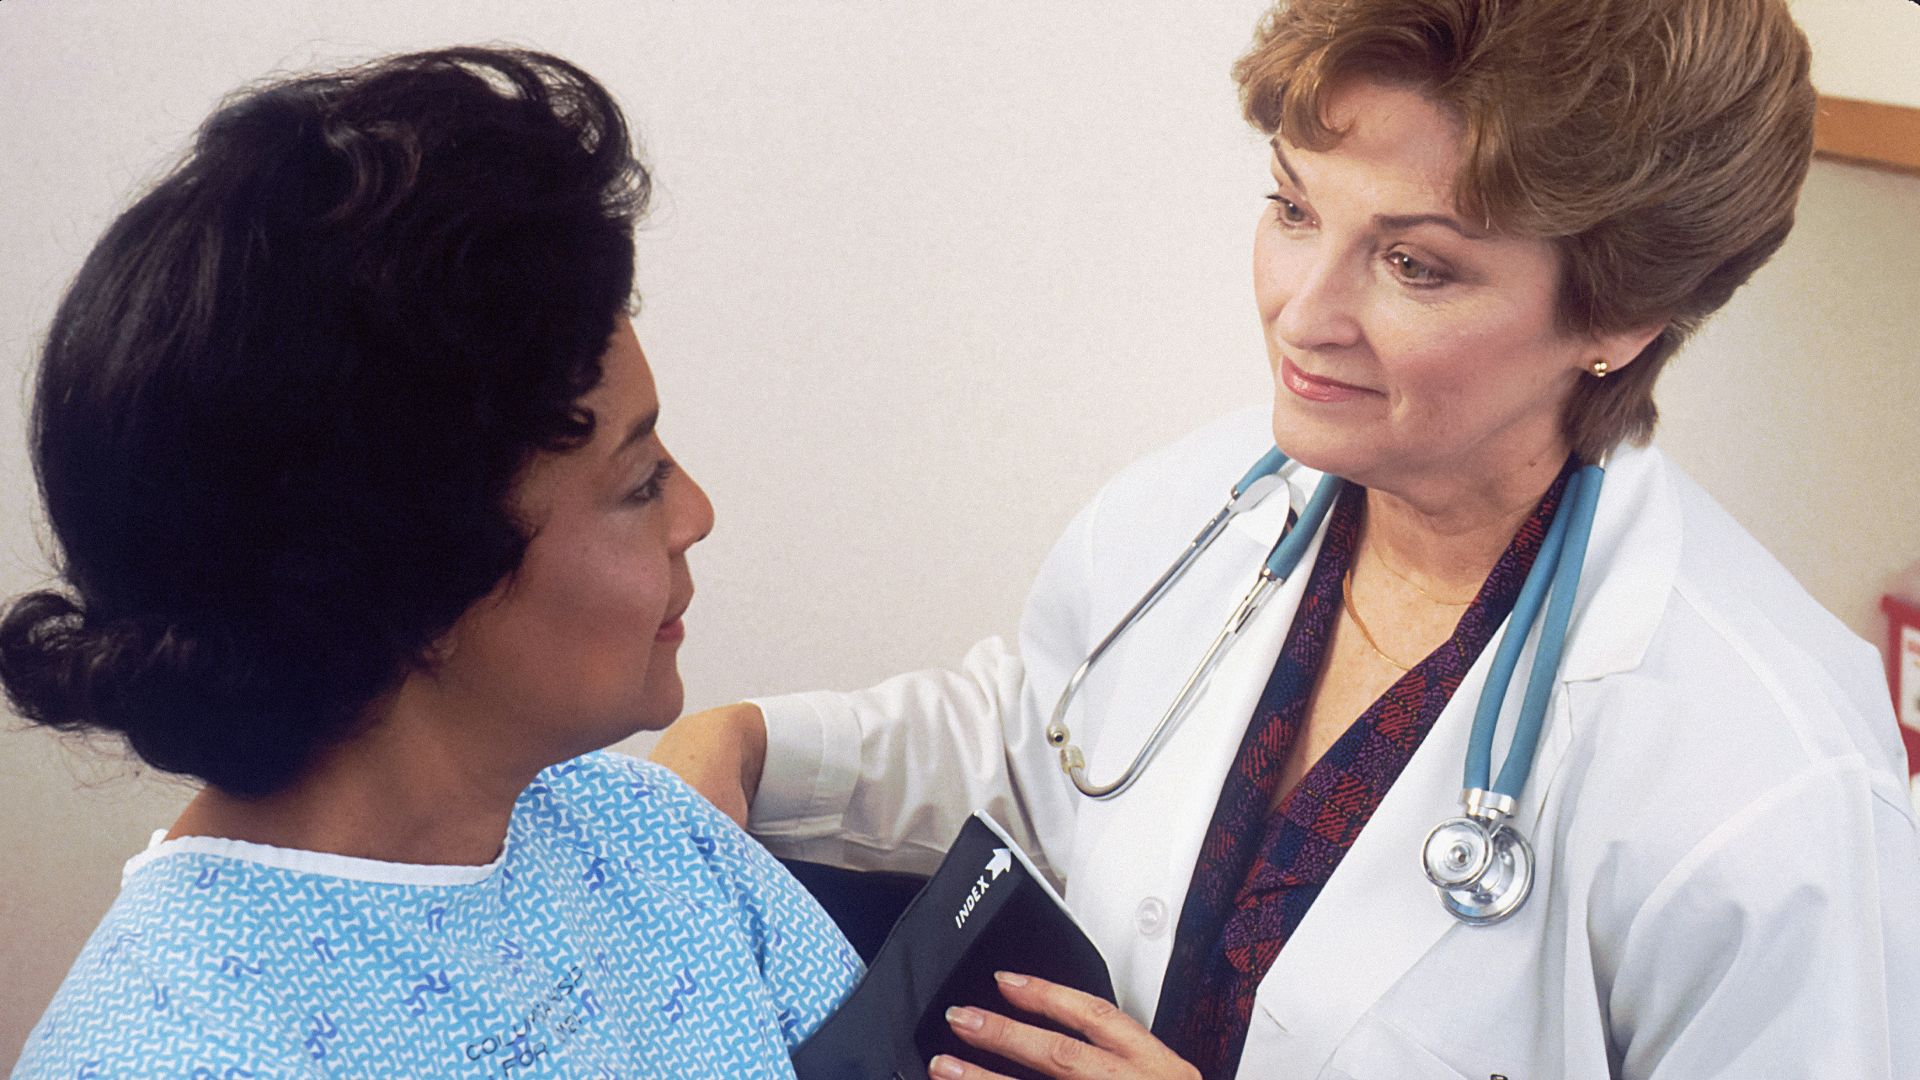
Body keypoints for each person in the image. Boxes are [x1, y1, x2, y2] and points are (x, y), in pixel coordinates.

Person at [651, 1, 1920, 1077]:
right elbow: (1047, 744)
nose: (1302, 314)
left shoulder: (1768, 785)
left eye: (1415, 266)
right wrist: (758, 747)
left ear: (1623, 314)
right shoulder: (1211, 504)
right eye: (1295, 208)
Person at [3, 48, 860, 1077]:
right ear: (413, 578)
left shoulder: (647, 837)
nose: (697, 514)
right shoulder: (172, 1054)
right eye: (640, 483)